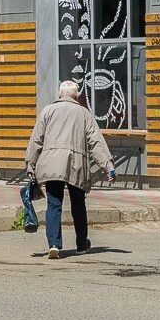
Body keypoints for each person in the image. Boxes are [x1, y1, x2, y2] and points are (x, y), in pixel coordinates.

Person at [24, 81, 115, 259]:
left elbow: (36, 140)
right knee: (78, 204)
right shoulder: (84, 113)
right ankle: (81, 244)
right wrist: (108, 166)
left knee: (54, 204)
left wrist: (30, 164)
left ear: (60, 94)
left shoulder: (47, 111)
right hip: (76, 164)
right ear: (77, 95)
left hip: (51, 163)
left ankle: (54, 245)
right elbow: (95, 141)